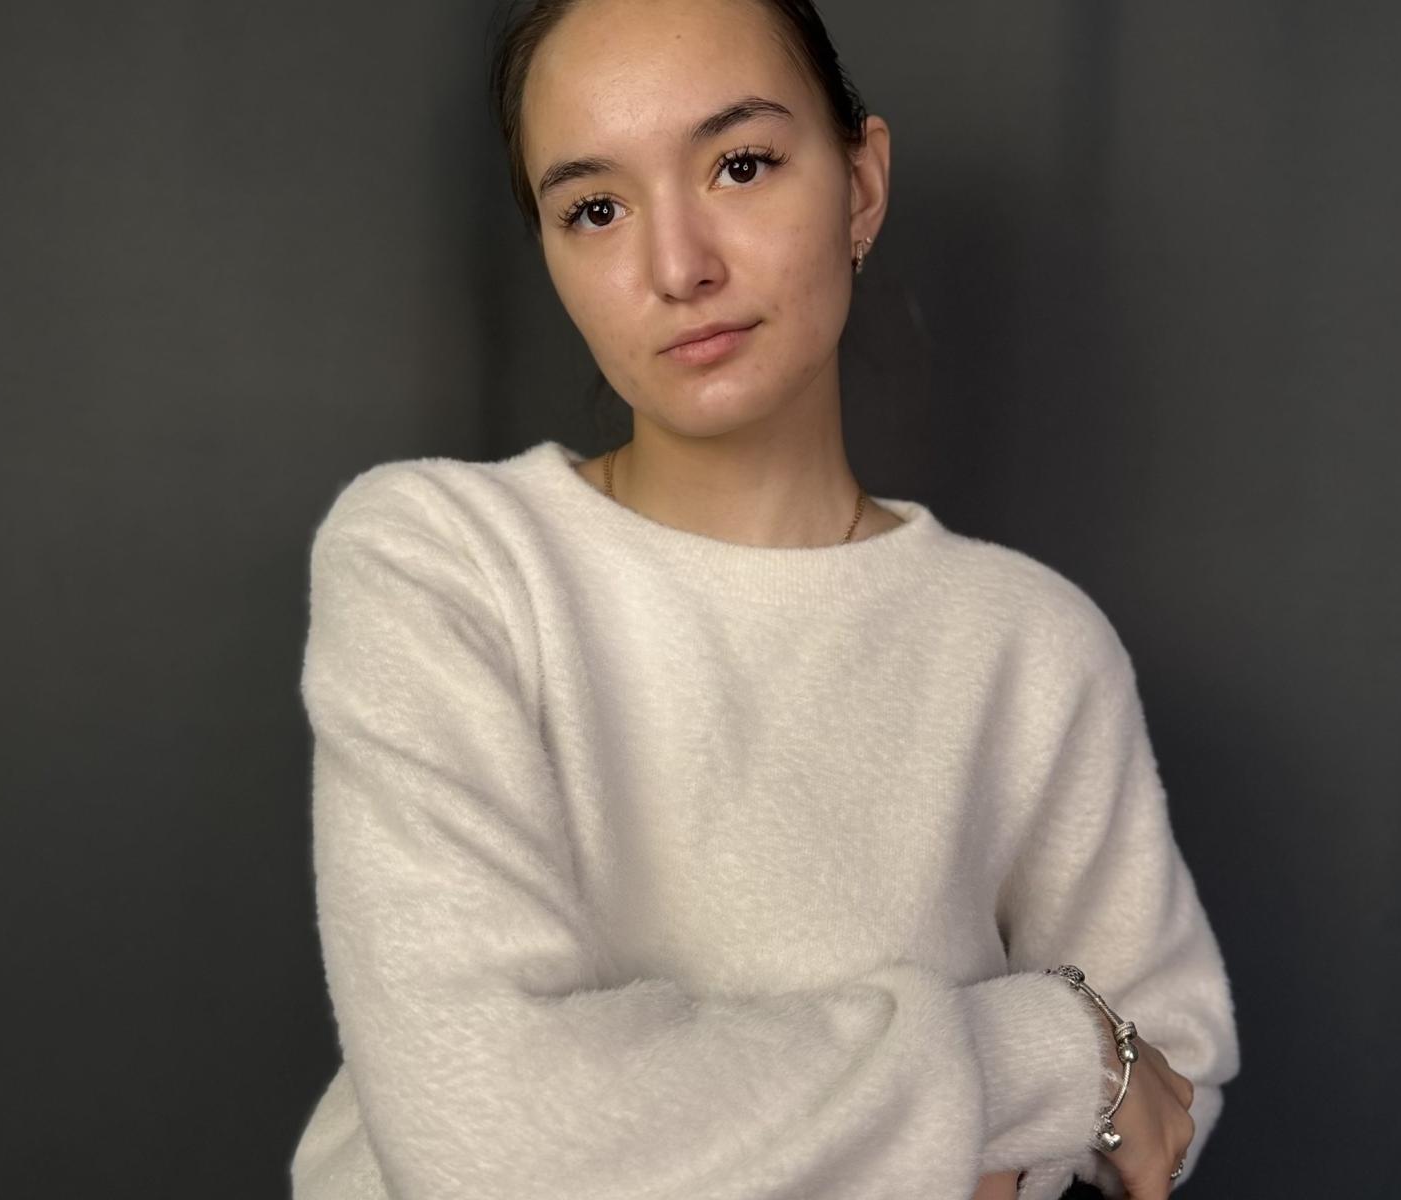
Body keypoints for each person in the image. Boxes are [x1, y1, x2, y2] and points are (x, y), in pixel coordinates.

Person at [288, 1, 1239, 1197]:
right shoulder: (443, 561)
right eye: (595, 208)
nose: (677, 265)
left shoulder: (1028, 642)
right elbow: (493, 1146)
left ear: (860, 188)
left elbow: (1165, 1092)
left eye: (739, 165)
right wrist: (1036, 1054)